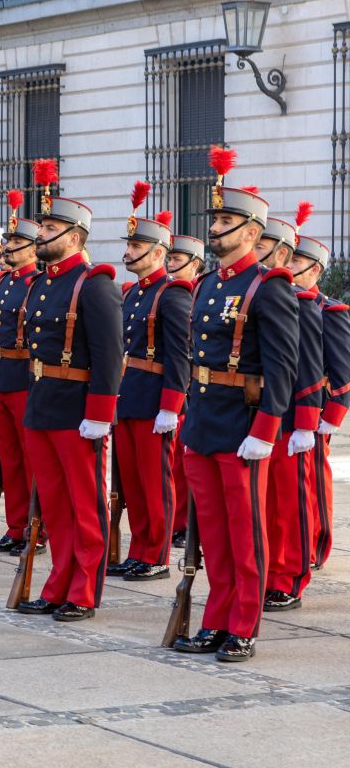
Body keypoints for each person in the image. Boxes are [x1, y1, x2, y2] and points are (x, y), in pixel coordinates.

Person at [171, 147, 297, 663]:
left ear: (252, 232)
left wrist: (265, 430)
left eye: (226, 220)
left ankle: (242, 624)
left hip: (243, 425)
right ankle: (215, 619)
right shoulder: (204, 285)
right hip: (202, 420)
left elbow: (283, 367)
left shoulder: (269, 288)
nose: (215, 228)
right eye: (215, 219)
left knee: (245, 534)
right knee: (214, 535)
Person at [15, 158, 123, 622]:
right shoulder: (44, 284)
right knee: (56, 506)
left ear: (74, 237)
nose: (40, 235)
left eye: (50, 228)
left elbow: (108, 354)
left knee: (84, 506)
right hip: (43, 403)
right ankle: (58, 581)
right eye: (41, 227)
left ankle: (83, 589)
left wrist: (100, 413)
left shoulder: (94, 285)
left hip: (78, 409)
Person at [110, 194, 192, 581]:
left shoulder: (172, 294)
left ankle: (155, 553)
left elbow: (181, 354)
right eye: (128, 245)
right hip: (128, 396)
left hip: (154, 398)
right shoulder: (132, 293)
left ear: (158, 252)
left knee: (154, 481)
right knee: (132, 482)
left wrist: (171, 407)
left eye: (137, 246)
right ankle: (138, 548)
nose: (129, 252)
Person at [259, 205, 323, 612]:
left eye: (266, 245)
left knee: (290, 503)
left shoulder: (301, 302)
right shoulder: (251, 291)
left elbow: (312, 368)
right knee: (264, 504)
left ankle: (290, 576)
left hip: (287, 417)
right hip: (254, 412)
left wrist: (308, 423)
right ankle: (268, 572)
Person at [286, 224, 350, 570]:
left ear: (316, 270)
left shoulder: (330, 310)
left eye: (298, 261)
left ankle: (317, 541)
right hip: (284, 407)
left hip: (315, 408)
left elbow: (341, 370)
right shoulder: (281, 301)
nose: (290, 266)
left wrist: (332, 417)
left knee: (312, 482)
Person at [0, 190, 41, 553]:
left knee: (32, 459)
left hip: (25, 377)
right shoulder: (5, 281)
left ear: (35, 248)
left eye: (17, 242)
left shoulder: (37, 282)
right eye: (8, 240)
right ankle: (16, 524)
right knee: (9, 459)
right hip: (3, 375)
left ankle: (38, 527)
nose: (9, 247)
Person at [165, 234, 206, 547]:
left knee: (187, 467)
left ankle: (188, 525)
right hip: (181, 387)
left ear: (195, 264)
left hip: (192, 391)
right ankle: (179, 523)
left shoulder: (193, 295)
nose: (170, 265)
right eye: (170, 258)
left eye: (177, 260)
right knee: (178, 467)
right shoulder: (170, 294)